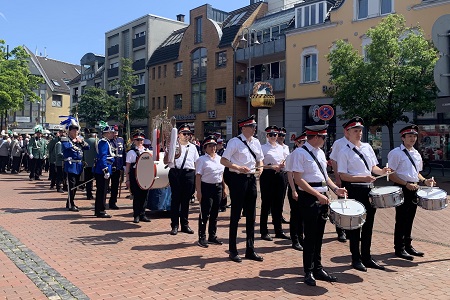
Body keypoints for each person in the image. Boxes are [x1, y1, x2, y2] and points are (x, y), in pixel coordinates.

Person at [291, 124, 347, 286]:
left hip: (322, 195)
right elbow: (298, 180)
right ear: (315, 137)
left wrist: (336, 189)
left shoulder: (320, 152)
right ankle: (308, 271)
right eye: (323, 137)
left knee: (318, 235)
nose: (324, 140)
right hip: (309, 197)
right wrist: (317, 195)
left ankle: (318, 268)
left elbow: (324, 177)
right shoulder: (299, 153)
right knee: (310, 236)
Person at [337, 116, 391, 272]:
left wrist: (382, 171)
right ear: (347, 132)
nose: (359, 133)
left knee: (368, 224)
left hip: (369, 188)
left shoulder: (367, 147)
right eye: (355, 130)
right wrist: (363, 177)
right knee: (355, 225)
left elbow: (373, 167)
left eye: (360, 130)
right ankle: (355, 258)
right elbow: (343, 175)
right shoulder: (343, 151)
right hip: (354, 189)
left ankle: (367, 257)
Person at [220, 115, 264, 263]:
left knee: (251, 215)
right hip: (238, 179)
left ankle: (250, 249)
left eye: (254, 127)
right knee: (236, 214)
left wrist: (261, 167)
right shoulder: (234, 142)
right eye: (251, 127)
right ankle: (233, 249)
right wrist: (238, 167)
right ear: (243, 128)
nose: (254, 129)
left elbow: (260, 158)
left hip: (251, 179)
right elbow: (223, 160)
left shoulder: (256, 142)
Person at [387, 124, 435, 260]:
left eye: (414, 136)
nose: (412, 138)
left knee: (410, 218)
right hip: (402, 187)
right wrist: (406, 184)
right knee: (401, 219)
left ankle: (408, 245)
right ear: (403, 138)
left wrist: (425, 181)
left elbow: (417, 173)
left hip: (414, 188)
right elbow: (391, 175)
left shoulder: (416, 153)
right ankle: (399, 248)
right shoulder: (396, 153)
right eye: (409, 136)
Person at [165, 124, 199, 235]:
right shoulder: (173, 145)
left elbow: (196, 163)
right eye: (184, 133)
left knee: (186, 200)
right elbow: (166, 161)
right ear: (178, 134)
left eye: (189, 134)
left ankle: (185, 224)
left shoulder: (193, 147)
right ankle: (174, 225)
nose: (187, 136)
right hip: (176, 172)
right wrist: (169, 151)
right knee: (175, 200)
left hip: (189, 173)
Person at [259, 125, 289, 242]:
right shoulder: (263, 148)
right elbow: (260, 164)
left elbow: (285, 160)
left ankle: (278, 230)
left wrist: (282, 165)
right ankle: (264, 231)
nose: (273, 137)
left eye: (275, 135)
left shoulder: (281, 148)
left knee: (279, 203)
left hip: (280, 175)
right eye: (270, 135)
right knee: (266, 203)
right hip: (268, 175)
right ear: (267, 136)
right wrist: (271, 166)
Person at [195, 135, 226, 247]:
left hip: (217, 187)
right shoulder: (201, 160)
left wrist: (224, 188)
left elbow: (221, 174)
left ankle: (212, 236)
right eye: (210, 146)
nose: (213, 148)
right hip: (206, 187)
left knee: (214, 213)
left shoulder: (219, 159)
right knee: (205, 213)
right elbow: (198, 176)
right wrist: (198, 192)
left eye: (214, 145)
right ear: (205, 147)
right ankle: (201, 237)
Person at [60, 117, 90, 212]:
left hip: (79, 165)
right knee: (71, 185)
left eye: (76, 130)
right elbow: (65, 148)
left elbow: (87, 147)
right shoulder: (65, 139)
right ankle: (70, 204)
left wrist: (81, 142)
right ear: (69, 131)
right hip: (70, 165)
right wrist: (73, 141)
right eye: (73, 130)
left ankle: (70, 201)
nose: (76, 132)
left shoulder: (79, 139)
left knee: (76, 185)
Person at [329, 125, 351, 242]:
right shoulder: (339, 143)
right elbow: (334, 160)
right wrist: (337, 177)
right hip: (342, 178)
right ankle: (340, 230)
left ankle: (350, 229)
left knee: (351, 205)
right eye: (349, 130)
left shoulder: (358, 143)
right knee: (342, 205)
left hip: (353, 179)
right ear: (345, 131)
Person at [285, 131, 307, 251]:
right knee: (295, 215)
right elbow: (290, 174)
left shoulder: (306, 154)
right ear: (297, 143)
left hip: (303, 188)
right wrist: (293, 190)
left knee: (302, 215)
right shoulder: (292, 155)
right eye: (303, 142)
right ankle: (295, 240)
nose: (304, 144)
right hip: (294, 187)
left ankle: (301, 237)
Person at [125, 131, 152, 223]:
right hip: (134, 175)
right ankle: (136, 215)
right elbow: (128, 166)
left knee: (145, 196)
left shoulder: (147, 151)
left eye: (141, 140)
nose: (139, 141)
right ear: (134, 141)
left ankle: (142, 214)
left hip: (145, 175)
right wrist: (127, 179)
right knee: (137, 196)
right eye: (137, 140)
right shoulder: (131, 152)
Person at [93, 122, 115, 218]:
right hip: (102, 170)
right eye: (111, 132)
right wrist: (105, 170)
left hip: (105, 168)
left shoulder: (106, 142)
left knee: (102, 190)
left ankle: (99, 209)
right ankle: (100, 210)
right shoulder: (103, 142)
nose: (113, 134)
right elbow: (102, 157)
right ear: (106, 133)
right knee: (102, 191)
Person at [109, 125, 125, 210]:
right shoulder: (108, 141)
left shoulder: (121, 140)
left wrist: (124, 165)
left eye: (116, 131)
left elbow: (123, 153)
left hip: (118, 166)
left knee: (115, 185)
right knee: (105, 186)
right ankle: (103, 202)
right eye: (114, 131)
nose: (115, 133)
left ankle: (113, 202)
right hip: (109, 166)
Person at [277, 127, 290, 224]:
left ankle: (279, 215)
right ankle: (275, 215)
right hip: (276, 173)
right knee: (275, 197)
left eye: (283, 135)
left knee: (282, 197)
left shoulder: (286, 147)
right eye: (280, 135)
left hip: (285, 173)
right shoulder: (274, 146)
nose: (281, 137)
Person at [83, 128, 98, 200]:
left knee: (88, 180)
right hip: (96, 164)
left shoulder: (84, 141)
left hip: (86, 164)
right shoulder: (97, 141)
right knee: (98, 180)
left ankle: (88, 194)